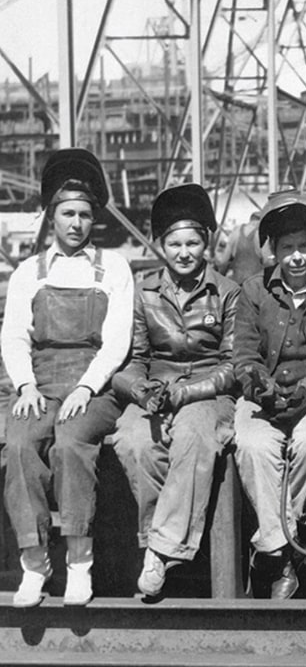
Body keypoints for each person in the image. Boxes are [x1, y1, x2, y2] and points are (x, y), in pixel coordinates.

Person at [0, 148, 134, 607]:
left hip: (93, 382)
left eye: (83, 214)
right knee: (18, 445)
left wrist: (86, 387)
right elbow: (14, 336)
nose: (76, 223)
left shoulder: (113, 267)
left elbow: (116, 342)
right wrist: (25, 386)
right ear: (51, 218)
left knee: (71, 442)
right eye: (67, 214)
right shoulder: (29, 272)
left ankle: (80, 561)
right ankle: (34, 563)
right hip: (40, 381)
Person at [110, 183, 241, 599]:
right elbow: (132, 360)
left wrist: (188, 394)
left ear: (206, 243)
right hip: (158, 387)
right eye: (174, 244)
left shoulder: (227, 292)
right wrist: (143, 392)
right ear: (161, 246)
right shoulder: (143, 291)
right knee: (134, 442)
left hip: (208, 391)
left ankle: (158, 551)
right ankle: (163, 546)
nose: (184, 252)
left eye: (193, 242)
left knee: (191, 436)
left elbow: (233, 363)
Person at [232, 192, 306, 599]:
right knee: (251, 446)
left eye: (304, 246)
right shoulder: (252, 292)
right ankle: (283, 552)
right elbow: (245, 357)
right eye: (287, 248)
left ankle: (270, 546)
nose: (297, 257)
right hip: (264, 398)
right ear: (273, 251)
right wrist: (258, 388)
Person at [215, 210, 271, 284]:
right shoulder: (261, 234)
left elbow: (224, 261)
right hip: (256, 286)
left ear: (250, 220)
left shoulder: (236, 232)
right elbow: (268, 262)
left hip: (237, 283)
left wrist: (221, 277)